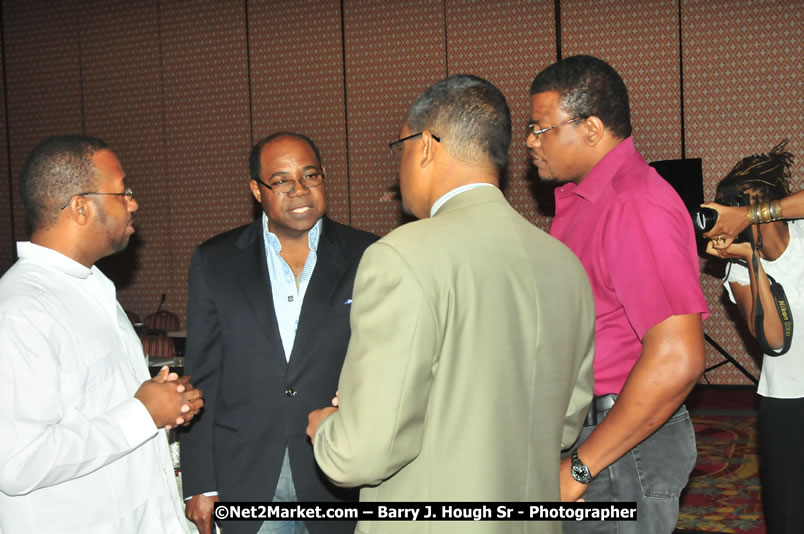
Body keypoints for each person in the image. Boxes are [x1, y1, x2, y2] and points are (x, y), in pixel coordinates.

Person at [307, 74, 596, 534]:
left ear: (424, 146)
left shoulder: (402, 255)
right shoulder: (564, 265)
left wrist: (327, 427)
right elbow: (561, 428)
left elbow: (359, 454)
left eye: (400, 148)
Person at [526, 55, 709, 533]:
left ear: (590, 129)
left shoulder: (634, 204)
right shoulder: (586, 200)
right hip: (599, 436)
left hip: (621, 449)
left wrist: (583, 465)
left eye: (541, 127)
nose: (530, 141)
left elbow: (677, 359)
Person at [0, 135, 204, 533]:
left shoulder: (92, 289)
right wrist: (143, 413)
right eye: (122, 192)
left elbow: (102, 412)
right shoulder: (21, 309)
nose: (133, 203)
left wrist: (163, 403)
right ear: (80, 208)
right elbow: (17, 461)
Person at [180, 132, 378, 534]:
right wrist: (199, 482)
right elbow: (202, 376)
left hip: (336, 475)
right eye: (282, 180)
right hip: (245, 475)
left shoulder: (369, 255)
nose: (299, 190)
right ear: (256, 189)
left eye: (310, 176)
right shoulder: (215, 261)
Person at [705, 141, 803, 534]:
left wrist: (753, 213)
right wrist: (751, 261)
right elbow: (775, 341)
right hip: (786, 403)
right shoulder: (741, 270)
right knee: (789, 517)